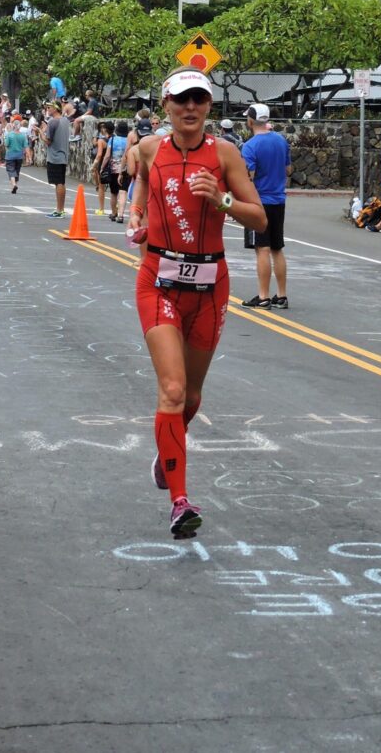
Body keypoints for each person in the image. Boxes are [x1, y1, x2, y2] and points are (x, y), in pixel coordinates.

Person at [130, 68, 266, 538]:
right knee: (171, 390)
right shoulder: (150, 148)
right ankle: (180, 501)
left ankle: (167, 450)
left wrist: (222, 200)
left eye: (199, 100)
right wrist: (137, 214)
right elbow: (142, 182)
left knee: (190, 397)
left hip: (210, 286)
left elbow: (260, 219)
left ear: (209, 106)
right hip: (158, 283)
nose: (190, 108)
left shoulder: (225, 153)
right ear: (165, 105)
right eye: (181, 100)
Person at [240, 103, 292, 310]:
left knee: (262, 248)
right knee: (277, 248)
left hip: (259, 202)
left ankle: (263, 296)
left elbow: (249, 177)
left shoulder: (250, 146)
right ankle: (282, 295)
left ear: (251, 121)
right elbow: (288, 169)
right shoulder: (281, 141)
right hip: (278, 200)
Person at [42, 100, 70, 218]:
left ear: (56, 108)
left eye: (49, 107)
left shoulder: (53, 122)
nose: (47, 109)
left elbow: (48, 141)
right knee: (61, 182)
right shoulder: (65, 120)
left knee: (58, 182)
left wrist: (40, 132)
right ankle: (60, 209)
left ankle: (59, 210)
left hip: (55, 156)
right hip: (63, 155)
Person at [107, 120, 130, 222]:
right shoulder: (129, 140)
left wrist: (102, 167)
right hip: (125, 169)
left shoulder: (112, 140)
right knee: (123, 192)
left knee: (113, 193)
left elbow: (107, 155)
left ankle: (113, 213)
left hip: (113, 169)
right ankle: (121, 214)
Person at [90, 120, 112, 215]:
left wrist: (93, 166)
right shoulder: (114, 139)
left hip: (103, 164)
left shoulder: (101, 141)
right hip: (114, 164)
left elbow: (99, 155)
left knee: (101, 187)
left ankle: (101, 209)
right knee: (114, 188)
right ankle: (116, 207)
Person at [4, 118, 28, 195]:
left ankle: (14, 185)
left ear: (13, 126)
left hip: (10, 155)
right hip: (19, 156)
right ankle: (14, 186)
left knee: (11, 170)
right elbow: (26, 146)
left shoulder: (9, 134)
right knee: (17, 171)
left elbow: (6, 144)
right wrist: (29, 157)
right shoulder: (23, 135)